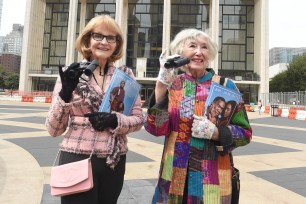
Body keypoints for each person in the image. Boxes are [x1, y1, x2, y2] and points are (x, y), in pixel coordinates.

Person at [144, 28, 252, 204]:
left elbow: (245, 134)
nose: (198, 52)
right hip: (174, 176)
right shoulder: (173, 84)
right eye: (192, 46)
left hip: (213, 178)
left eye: (204, 47)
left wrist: (217, 133)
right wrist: (161, 84)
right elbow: (155, 128)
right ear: (180, 52)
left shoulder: (226, 86)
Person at [45, 15, 144, 204]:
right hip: (76, 156)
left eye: (110, 38)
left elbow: (139, 119)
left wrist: (116, 120)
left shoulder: (125, 74)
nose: (104, 42)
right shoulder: (71, 73)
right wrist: (65, 94)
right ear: (87, 39)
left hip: (113, 160)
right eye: (98, 36)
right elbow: (53, 129)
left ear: (117, 43)